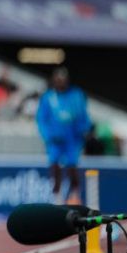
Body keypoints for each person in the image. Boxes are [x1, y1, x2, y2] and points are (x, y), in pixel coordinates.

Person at [36, 67, 91, 203]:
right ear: (54, 80)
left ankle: (75, 195)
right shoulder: (48, 97)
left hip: (72, 139)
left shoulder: (76, 95)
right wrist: (48, 136)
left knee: (72, 166)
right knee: (55, 165)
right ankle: (57, 197)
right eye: (57, 80)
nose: (60, 82)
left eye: (63, 80)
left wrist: (84, 131)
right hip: (55, 140)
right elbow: (41, 119)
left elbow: (83, 115)